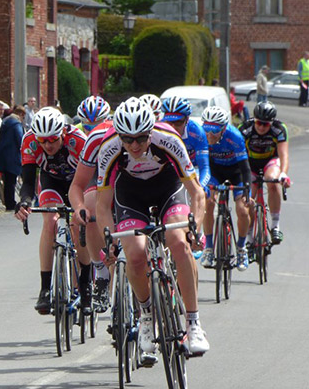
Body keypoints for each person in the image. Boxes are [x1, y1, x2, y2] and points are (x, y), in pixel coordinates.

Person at [94, 97, 209, 361]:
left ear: (151, 131)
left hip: (167, 187)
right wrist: (109, 240)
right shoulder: (109, 148)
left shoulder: (167, 139)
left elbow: (196, 192)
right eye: (128, 139)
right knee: (134, 254)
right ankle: (147, 316)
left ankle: (193, 323)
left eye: (141, 139)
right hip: (131, 194)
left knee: (178, 242)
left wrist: (196, 228)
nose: (134, 145)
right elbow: (102, 205)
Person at [14, 107, 91, 315]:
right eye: (43, 141)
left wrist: (86, 207)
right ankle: (45, 289)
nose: (47, 145)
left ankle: (85, 286)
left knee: (77, 226)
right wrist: (24, 202)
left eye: (53, 140)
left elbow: (92, 178)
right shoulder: (29, 141)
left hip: (78, 183)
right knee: (50, 223)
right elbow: (28, 181)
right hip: (51, 183)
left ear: (63, 134)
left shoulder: (79, 140)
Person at [68, 96, 114, 307]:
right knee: (89, 208)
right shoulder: (85, 137)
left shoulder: (116, 132)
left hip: (121, 177)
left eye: (97, 125)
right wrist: (79, 209)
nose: (93, 129)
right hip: (95, 175)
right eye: (87, 126)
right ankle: (100, 271)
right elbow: (78, 181)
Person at [198, 105, 252, 272]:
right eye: (206, 128)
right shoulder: (201, 135)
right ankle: (208, 247)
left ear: (223, 128)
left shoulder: (234, 137)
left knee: (242, 210)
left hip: (236, 171)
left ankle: (242, 248)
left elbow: (245, 168)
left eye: (214, 129)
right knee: (208, 202)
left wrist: (247, 191)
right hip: (214, 171)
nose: (209, 134)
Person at [239, 100, 291, 244]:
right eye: (259, 123)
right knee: (249, 198)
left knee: (272, 181)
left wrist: (283, 174)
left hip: (270, 161)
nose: (261, 127)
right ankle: (249, 238)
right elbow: (239, 156)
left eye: (266, 124)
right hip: (250, 163)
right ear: (254, 120)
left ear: (272, 122)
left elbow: (283, 154)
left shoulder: (279, 129)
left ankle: (275, 225)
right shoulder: (245, 128)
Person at [160, 96, 211, 195]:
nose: (173, 127)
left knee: (199, 193)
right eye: (169, 122)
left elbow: (204, 167)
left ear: (187, 119)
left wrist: (201, 186)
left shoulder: (197, 132)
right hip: (169, 169)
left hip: (192, 168)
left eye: (178, 122)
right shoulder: (158, 130)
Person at [0, 105, 25, 211]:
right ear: (20, 115)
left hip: (3, 154)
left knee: (7, 180)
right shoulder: (16, 124)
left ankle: (8, 201)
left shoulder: (5, 122)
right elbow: (20, 139)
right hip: (13, 156)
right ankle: (11, 202)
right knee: (11, 180)